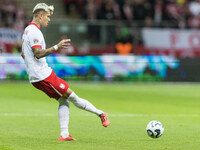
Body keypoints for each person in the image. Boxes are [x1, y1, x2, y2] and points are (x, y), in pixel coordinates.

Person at [21, 3, 110, 141]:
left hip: (38, 76)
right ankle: (101, 114)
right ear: (40, 15)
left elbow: (23, 54)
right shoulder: (34, 31)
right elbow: (38, 53)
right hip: (43, 75)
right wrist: (57, 46)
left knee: (64, 100)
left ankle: (64, 134)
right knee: (72, 97)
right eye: (48, 16)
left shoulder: (27, 30)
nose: (49, 19)